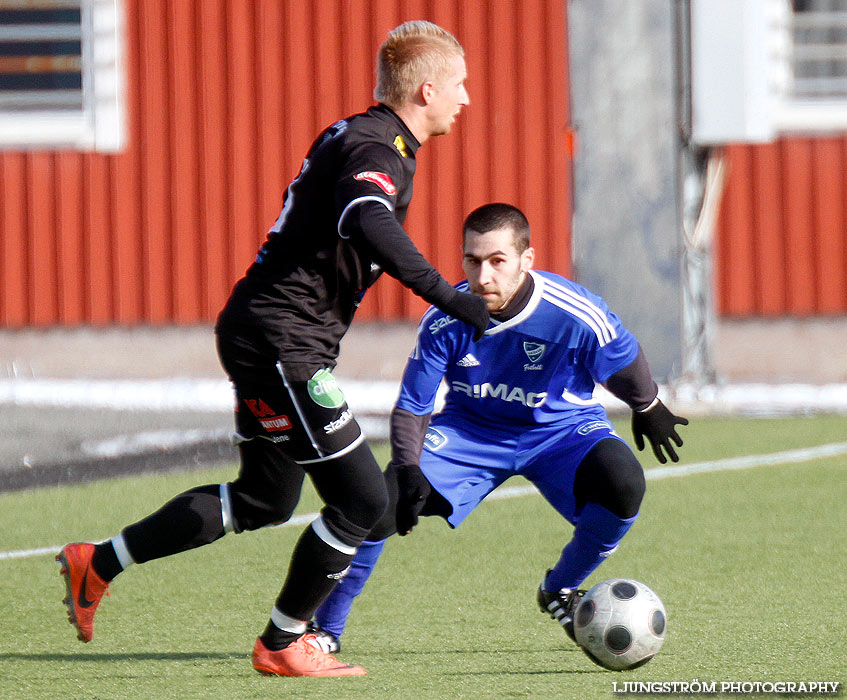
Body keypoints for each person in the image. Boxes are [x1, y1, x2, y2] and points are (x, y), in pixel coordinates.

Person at [56, 20, 489, 679]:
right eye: (459, 84)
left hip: (266, 331)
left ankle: (99, 563)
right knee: (364, 502)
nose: (466, 98)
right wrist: (448, 296)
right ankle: (283, 642)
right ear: (428, 90)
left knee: (263, 502)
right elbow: (364, 218)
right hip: (283, 345)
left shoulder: (359, 133)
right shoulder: (378, 150)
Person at [307, 202, 688, 653]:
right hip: (470, 434)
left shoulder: (574, 310)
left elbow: (620, 355)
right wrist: (407, 468)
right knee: (377, 505)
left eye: (497, 261)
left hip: (562, 432)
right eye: (472, 260)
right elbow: (413, 405)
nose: (483, 276)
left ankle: (560, 589)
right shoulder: (444, 318)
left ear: (526, 261)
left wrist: (648, 403)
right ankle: (323, 633)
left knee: (624, 482)